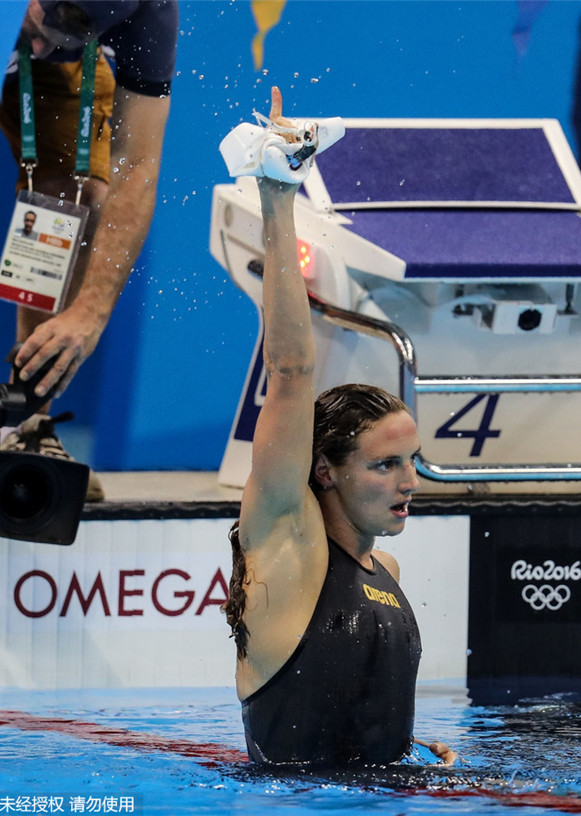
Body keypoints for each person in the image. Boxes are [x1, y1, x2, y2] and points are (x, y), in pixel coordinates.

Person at [221, 87, 455, 768]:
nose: (408, 481)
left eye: (410, 461)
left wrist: (406, 746)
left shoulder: (385, 568)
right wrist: (276, 198)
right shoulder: (285, 556)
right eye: (384, 465)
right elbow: (292, 369)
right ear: (325, 471)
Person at [0, 0, 178, 499]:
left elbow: (137, 168)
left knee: (75, 193)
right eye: (40, 28)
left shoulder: (150, 9)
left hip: (47, 37)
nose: (38, 49)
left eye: (62, 38)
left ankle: (30, 421)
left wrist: (91, 315)